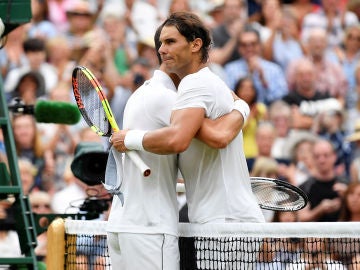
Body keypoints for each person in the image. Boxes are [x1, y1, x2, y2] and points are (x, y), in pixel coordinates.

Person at [107, 19, 254, 270]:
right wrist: (243, 107)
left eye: (171, 41)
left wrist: (129, 138)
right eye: (161, 43)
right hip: (205, 222)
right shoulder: (198, 86)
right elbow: (212, 131)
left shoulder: (185, 86)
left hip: (225, 221)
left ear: (196, 45)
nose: (162, 50)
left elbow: (192, 138)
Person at [298, 138, 349, 222]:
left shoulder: (346, 185)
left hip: (343, 234)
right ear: (312, 159)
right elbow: (302, 218)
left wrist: (346, 198)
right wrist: (320, 209)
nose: (322, 160)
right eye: (317, 156)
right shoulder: (305, 188)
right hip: (314, 234)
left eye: (326, 155)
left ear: (334, 156)